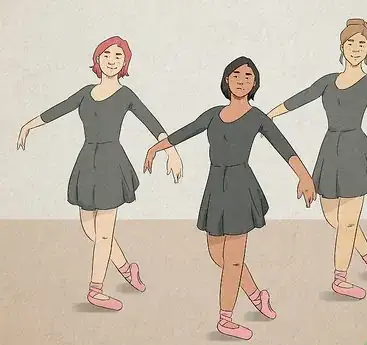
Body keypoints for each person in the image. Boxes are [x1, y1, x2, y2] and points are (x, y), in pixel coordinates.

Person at [143, 56, 316, 340]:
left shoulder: (258, 117)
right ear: (226, 80)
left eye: (248, 76)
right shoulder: (213, 114)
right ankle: (258, 295)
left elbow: (284, 147)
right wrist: (156, 148)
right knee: (217, 255)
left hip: (240, 187)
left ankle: (226, 318)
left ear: (255, 83)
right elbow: (185, 132)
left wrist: (304, 176)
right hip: (215, 187)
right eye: (236, 74)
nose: (241, 79)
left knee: (234, 260)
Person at [16, 36, 183, 311]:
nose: (112, 59)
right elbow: (57, 110)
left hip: (111, 163)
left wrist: (171, 151)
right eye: (107, 54)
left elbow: (151, 122)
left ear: (125, 63)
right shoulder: (85, 92)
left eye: (118, 56)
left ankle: (96, 289)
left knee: (104, 233)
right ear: (97, 59)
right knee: (89, 228)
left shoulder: (126, 95)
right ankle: (128, 268)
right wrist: (28, 126)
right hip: (87, 162)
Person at [265, 19, 367, 300]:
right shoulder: (328, 81)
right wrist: (266, 118)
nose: (355, 48)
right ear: (342, 47)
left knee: (349, 222)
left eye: (361, 43)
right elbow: (298, 99)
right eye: (350, 43)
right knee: (333, 218)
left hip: (355, 151)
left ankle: (340, 278)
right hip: (330, 151)